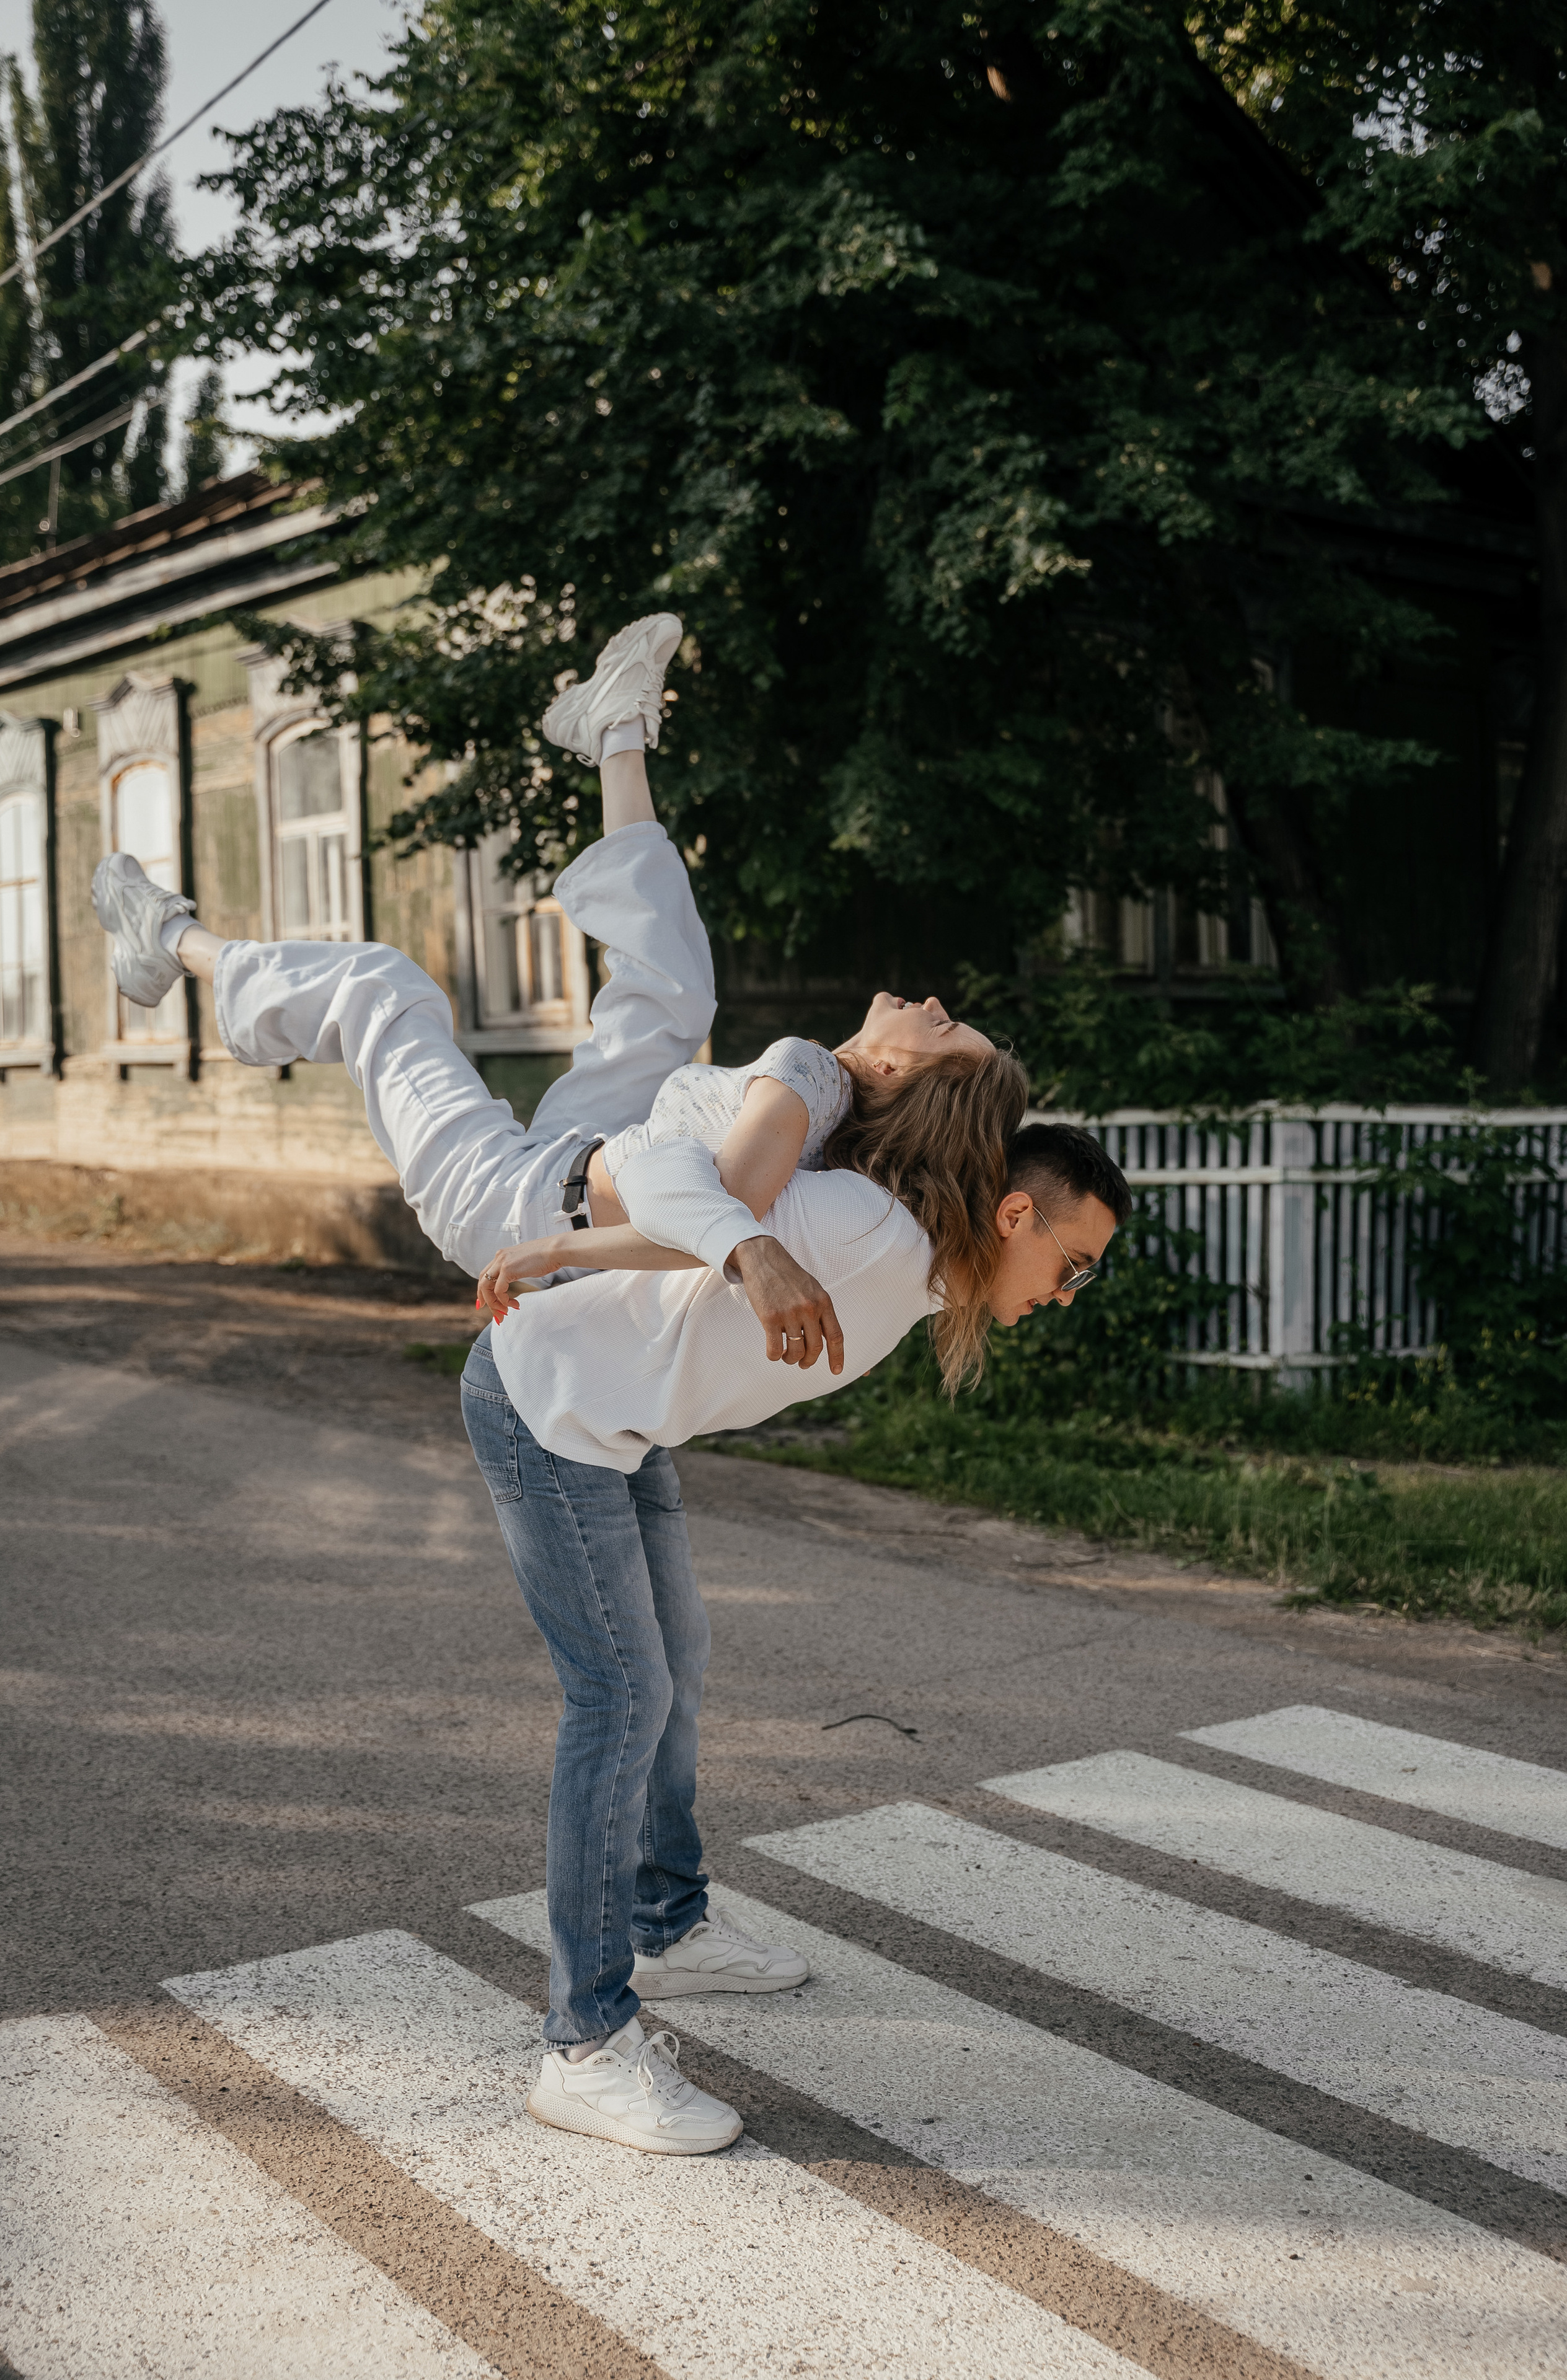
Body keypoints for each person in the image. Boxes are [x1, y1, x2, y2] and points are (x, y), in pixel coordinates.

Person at [92, 610, 1132, 2158]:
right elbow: (689, 1184)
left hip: (591, 1303)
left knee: (665, 989)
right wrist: (672, 1240)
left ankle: (613, 736)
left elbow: (704, 1183)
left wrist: (640, 1240)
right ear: (1008, 1207)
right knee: (389, 990)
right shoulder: (839, 1176)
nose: (1072, 1291)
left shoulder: (872, 1208)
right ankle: (582, 2042)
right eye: (1077, 1261)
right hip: (536, 1304)